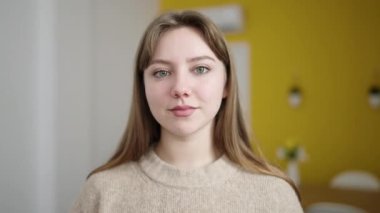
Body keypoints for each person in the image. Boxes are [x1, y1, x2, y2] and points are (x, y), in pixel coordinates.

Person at [71, 10, 303, 213]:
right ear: (143, 87)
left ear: (227, 84)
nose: (180, 88)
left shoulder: (275, 195)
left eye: (200, 69)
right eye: (161, 72)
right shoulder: (101, 192)